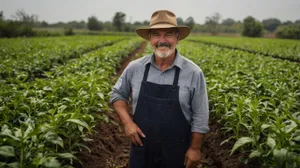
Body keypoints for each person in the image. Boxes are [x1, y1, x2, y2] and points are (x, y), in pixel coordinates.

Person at [110, 9, 209, 168]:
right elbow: (117, 95)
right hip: (141, 149)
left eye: (168, 34)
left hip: (177, 152)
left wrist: (195, 148)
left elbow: (201, 115)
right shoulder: (135, 68)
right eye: (157, 34)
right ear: (150, 39)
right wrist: (128, 123)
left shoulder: (193, 73)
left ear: (177, 38)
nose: (162, 40)